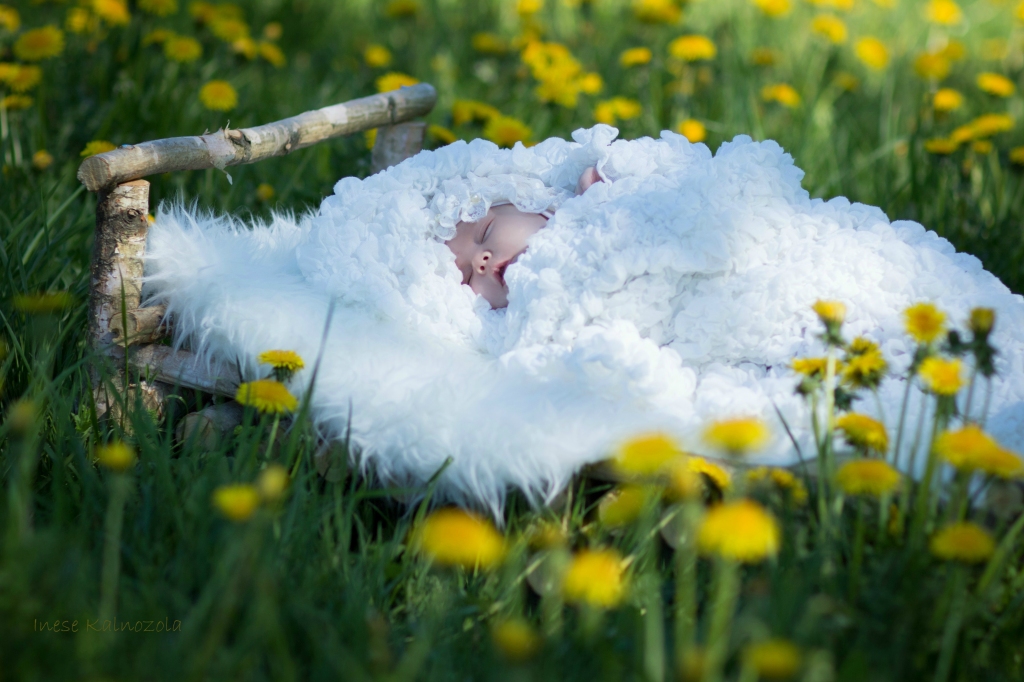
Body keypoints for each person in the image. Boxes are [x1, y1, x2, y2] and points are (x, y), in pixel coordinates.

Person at [445, 166, 603, 308]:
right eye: (468, 278)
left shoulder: (591, 212)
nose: (479, 261)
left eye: (485, 232)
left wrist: (595, 195)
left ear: (532, 207)